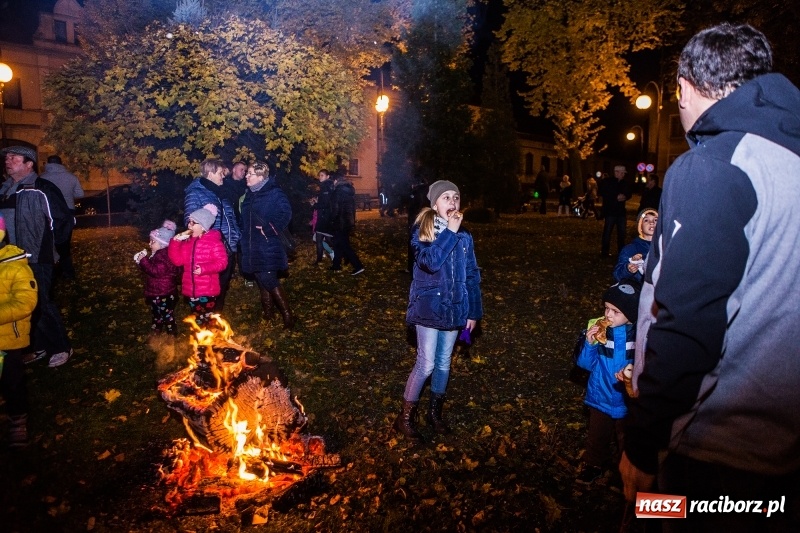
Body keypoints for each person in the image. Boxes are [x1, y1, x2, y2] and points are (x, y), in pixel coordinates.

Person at [620, 24, 800, 530]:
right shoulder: (788, 159)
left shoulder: (712, 167)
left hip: (711, 452)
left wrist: (644, 441)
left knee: (653, 510)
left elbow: (689, 320)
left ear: (683, 88)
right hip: (782, 454)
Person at [394, 180, 483, 442]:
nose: (452, 202)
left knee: (444, 362)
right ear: (434, 205)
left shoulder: (465, 236)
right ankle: (405, 418)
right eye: (446, 198)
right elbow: (429, 262)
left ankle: (435, 414)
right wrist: (450, 233)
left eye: (456, 197)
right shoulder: (422, 231)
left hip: (455, 308)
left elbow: (472, 274)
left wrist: (473, 311)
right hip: (429, 308)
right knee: (427, 363)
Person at [0, 146, 73, 368]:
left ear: (29, 163)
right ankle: (39, 346)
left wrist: (54, 250)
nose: (8, 160)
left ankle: (61, 347)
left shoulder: (42, 188)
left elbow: (63, 221)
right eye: (7, 157)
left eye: (14, 157)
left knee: (41, 302)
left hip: (36, 257)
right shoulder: (5, 189)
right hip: (9, 260)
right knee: (22, 304)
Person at [575, 279, 640, 484]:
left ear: (631, 314)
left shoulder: (641, 336)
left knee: (627, 438)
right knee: (597, 435)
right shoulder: (598, 330)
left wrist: (633, 373)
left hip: (627, 400)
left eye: (615, 311)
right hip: (600, 394)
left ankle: (626, 471)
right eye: (606, 308)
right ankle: (593, 465)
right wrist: (589, 343)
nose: (608, 315)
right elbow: (585, 365)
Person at [240, 162, 295, 329]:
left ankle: (288, 315)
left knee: (269, 279)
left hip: (267, 244)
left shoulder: (274, 192)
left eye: (250, 173)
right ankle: (268, 314)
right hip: (252, 245)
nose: (246, 176)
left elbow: (286, 213)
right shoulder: (250, 194)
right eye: (247, 173)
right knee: (260, 279)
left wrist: (269, 229)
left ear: (260, 176)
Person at [0, 214, 38, 448]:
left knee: (11, 382)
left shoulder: (16, 266)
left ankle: (18, 421)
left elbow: (25, 303)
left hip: (8, 340)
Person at [184, 158, 241, 312]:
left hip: (227, 247)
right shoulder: (195, 193)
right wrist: (208, 241)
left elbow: (231, 218)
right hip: (208, 250)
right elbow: (190, 222)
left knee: (222, 284)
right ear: (210, 173)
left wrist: (236, 236)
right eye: (220, 173)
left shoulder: (222, 193)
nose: (223, 176)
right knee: (209, 285)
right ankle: (206, 316)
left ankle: (217, 316)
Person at [168, 204, 228, 328]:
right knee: (197, 316)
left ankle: (211, 336)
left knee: (206, 318)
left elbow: (222, 262)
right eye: (189, 222)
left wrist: (204, 269)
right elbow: (177, 261)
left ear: (203, 226)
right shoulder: (187, 243)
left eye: (193, 223)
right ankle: (202, 336)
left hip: (207, 289)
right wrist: (175, 242)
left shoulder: (214, 243)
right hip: (191, 289)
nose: (189, 225)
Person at [40, 155, 84, 279]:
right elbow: (80, 193)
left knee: (50, 241)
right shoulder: (71, 177)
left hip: (49, 211)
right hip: (67, 211)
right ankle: (68, 270)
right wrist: (68, 195)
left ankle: (54, 269)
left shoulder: (42, 178)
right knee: (65, 241)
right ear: (61, 163)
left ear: (47, 163)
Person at [134, 220, 180, 336]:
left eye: (153, 241)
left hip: (164, 293)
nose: (149, 244)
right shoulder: (158, 254)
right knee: (156, 313)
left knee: (166, 314)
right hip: (157, 291)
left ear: (162, 243)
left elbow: (155, 271)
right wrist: (141, 262)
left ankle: (171, 333)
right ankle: (156, 331)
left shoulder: (164, 257)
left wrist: (143, 260)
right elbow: (150, 269)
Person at [329, 174, 365, 276]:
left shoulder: (337, 192)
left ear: (336, 181)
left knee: (344, 245)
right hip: (347, 221)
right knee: (338, 243)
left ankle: (358, 266)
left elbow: (335, 209)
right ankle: (336, 265)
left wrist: (331, 219)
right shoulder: (348, 191)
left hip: (340, 222)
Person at [612, 209, 657, 283]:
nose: (652, 223)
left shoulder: (666, 248)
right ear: (640, 226)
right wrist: (628, 269)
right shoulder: (631, 249)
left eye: (656, 220)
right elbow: (617, 275)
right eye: (646, 220)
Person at [598, 165, 631, 257]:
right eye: (622, 173)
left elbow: (629, 193)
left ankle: (620, 251)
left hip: (620, 212)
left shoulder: (624, 183)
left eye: (623, 173)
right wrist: (615, 197)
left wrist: (625, 196)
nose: (623, 175)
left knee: (621, 233)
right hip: (611, 211)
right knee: (607, 232)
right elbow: (604, 193)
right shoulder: (608, 182)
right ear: (616, 172)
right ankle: (604, 252)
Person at [311, 169, 335, 265]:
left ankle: (341, 252)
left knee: (323, 239)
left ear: (327, 176)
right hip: (325, 216)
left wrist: (315, 205)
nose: (320, 177)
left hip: (324, 216)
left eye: (322, 175)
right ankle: (319, 259)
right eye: (319, 175)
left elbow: (325, 203)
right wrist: (317, 201)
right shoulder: (328, 186)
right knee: (320, 239)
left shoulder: (326, 186)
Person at [406, 178, 429, 273]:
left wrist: (411, 223)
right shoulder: (427, 191)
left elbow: (413, 209)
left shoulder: (416, 193)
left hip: (417, 221)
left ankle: (412, 268)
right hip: (425, 220)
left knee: (414, 244)